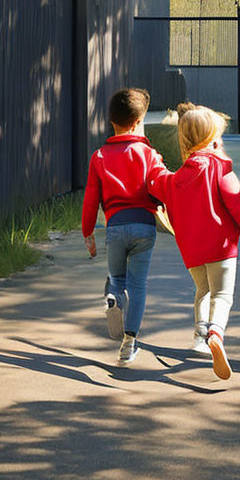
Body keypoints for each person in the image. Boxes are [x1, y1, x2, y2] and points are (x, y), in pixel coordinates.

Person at [149, 104, 240, 381]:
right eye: (217, 138)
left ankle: (200, 335)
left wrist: (153, 162)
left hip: (192, 250)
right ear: (211, 140)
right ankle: (216, 334)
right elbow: (236, 199)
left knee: (202, 290)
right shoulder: (221, 168)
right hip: (222, 247)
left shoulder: (175, 179)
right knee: (222, 295)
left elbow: (156, 182)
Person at [81, 88, 167, 366]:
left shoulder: (99, 156)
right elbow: (162, 189)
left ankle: (111, 296)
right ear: (138, 122)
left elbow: (91, 199)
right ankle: (128, 344)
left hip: (115, 227)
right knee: (138, 285)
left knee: (117, 280)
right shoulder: (149, 154)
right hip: (144, 227)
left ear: (111, 122)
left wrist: (87, 233)